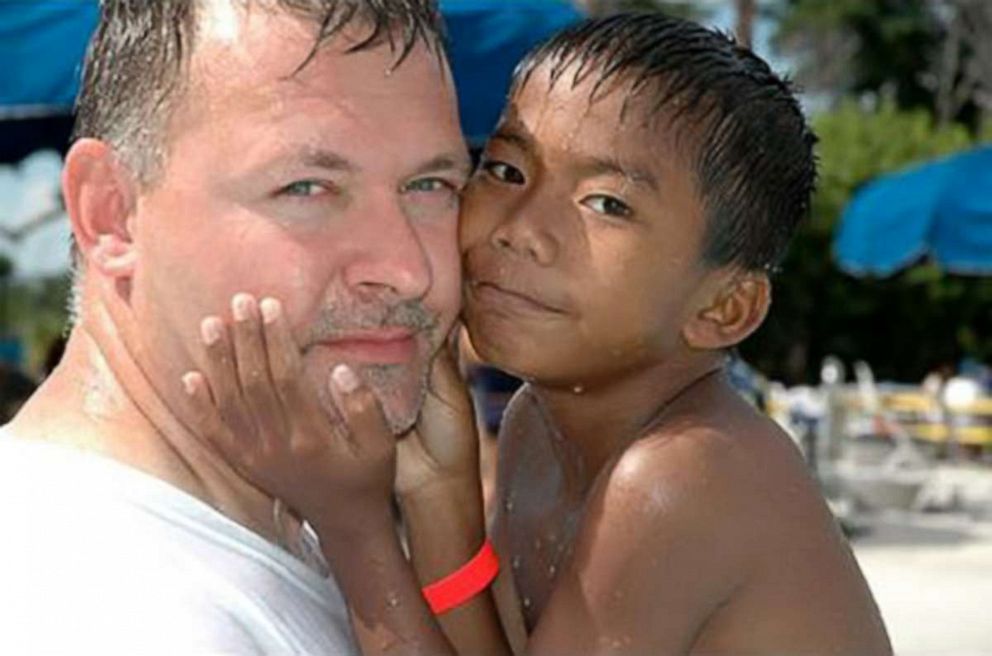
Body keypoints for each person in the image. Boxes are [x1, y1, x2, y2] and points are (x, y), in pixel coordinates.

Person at [186, 13, 892, 656]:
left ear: (725, 309)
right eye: (506, 169)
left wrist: (353, 524)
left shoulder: (683, 476)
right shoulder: (536, 423)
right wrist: (439, 492)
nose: (521, 228)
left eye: (608, 204)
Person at [0, 0, 472, 653]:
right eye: (306, 188)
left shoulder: (282, 511)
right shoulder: (118, 618)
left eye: (431, 185)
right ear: (110, 214)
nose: (407, 268)